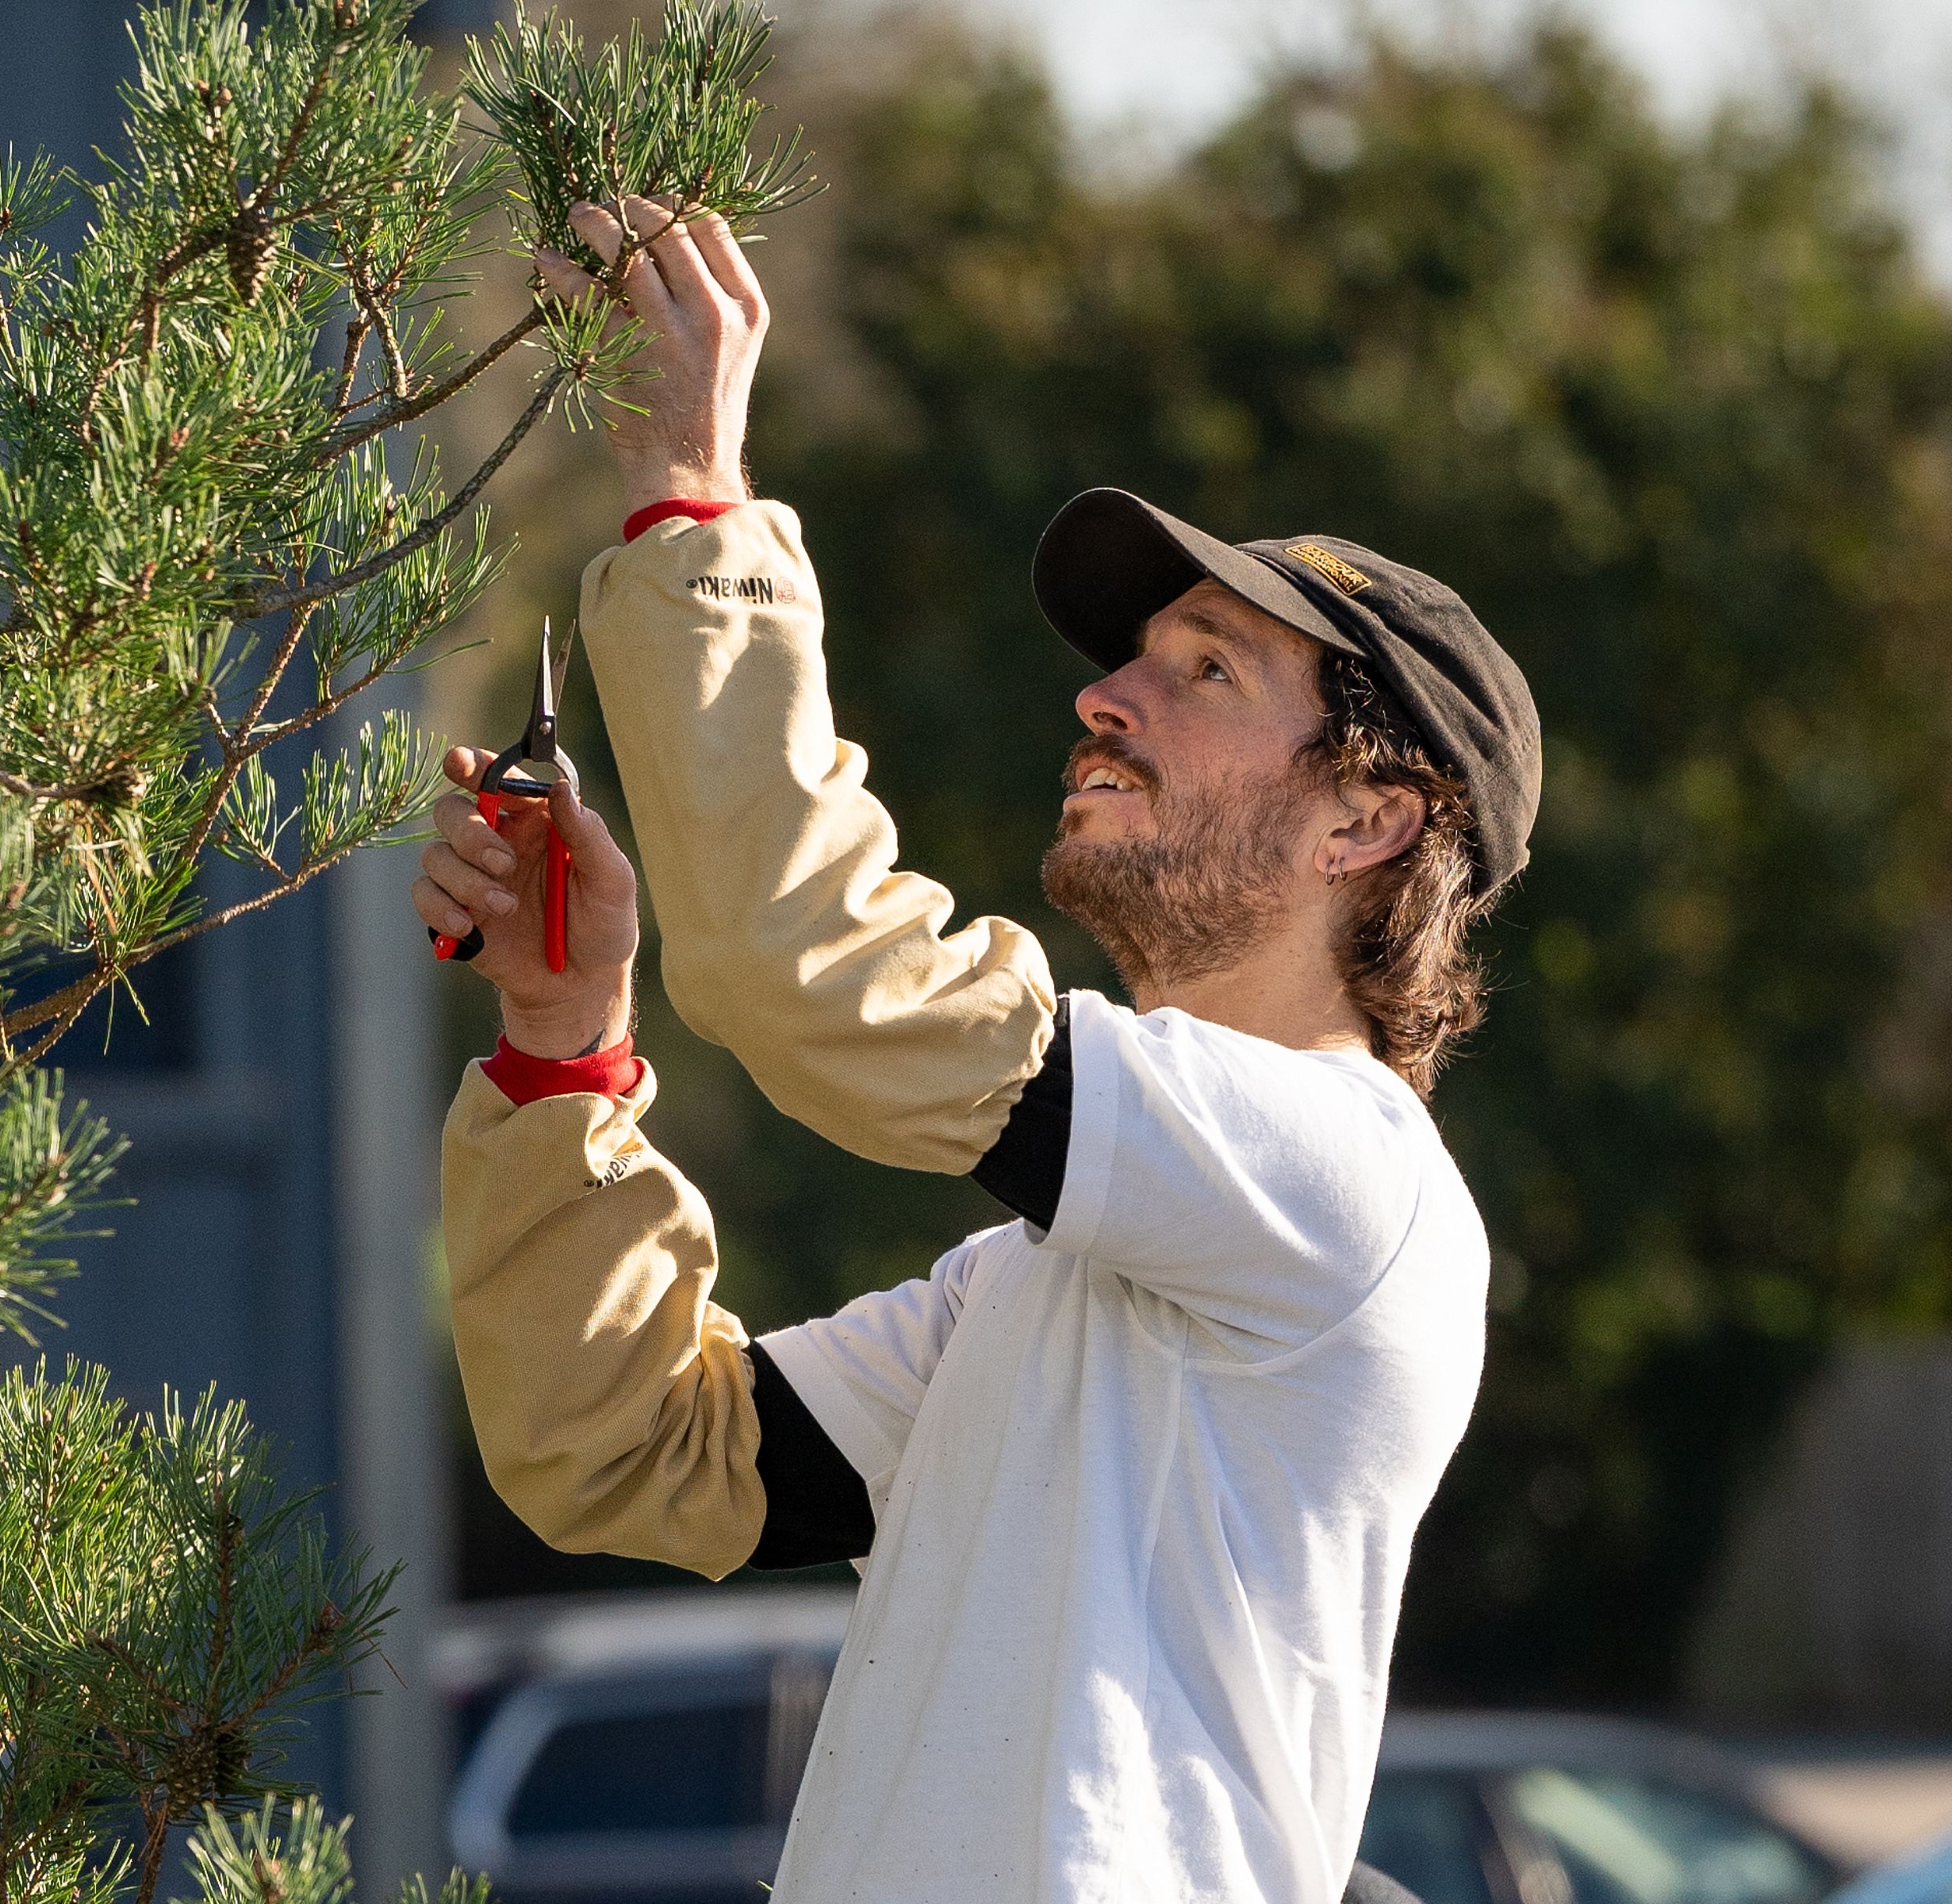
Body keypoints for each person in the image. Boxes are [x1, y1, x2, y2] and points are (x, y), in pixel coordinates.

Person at [416, 196, 1539, 1904]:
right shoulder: (1036, 1288)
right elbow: (632, 1453)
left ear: (1369, 822)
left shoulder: (1351, 1186)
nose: (1106, 697)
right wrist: (567, 1042)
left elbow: (814, 971)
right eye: (1130, 662)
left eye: (1205, 670)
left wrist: (693, 499)